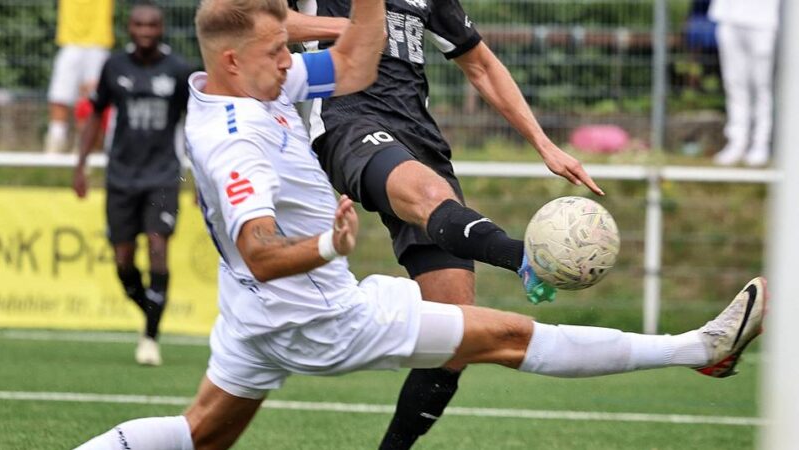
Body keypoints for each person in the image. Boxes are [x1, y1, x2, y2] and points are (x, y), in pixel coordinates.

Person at [75, 0, 766, 448]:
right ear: (236, 59)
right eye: (280, 48)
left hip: (253, 318)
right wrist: (327, 244)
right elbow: (259, 250)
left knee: (201, 436)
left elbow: (353, 59)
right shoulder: (235, 140)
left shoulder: (249, 81)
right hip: (317, 313)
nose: (292, 59)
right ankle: (698, 347)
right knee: (507, 337)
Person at [286, 3, 599, 447]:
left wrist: (544, 145)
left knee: (455, 337)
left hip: (419, 137)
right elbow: (265, 23)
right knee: (432, 197)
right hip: (348, 121)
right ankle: (525, 259)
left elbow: (483, 65)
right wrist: (351, 28)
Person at [72, 1, 192, 366]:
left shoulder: (179, 71)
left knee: (158, 248)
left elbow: (196, 125)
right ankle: (151, 311)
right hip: (121, 176)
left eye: (151, 26)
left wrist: (201, 177)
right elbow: (95, 116)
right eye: (138, 25)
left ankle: (150, 338)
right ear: (129, 28)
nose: (145, 32)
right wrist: (80, 165)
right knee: (123, 260)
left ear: (161, 29)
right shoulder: (114, 66)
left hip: (162, 176)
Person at [710, 0, 782, 167]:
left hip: (764, 22)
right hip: (729, 17)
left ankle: (761, 143)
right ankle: (737, 142)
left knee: (762, 87)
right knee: (734, 85)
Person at [45, 0, 114, 154]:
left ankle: (86, 145)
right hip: (70, 43)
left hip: (98, 44)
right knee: (59, 96)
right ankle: (55, 143)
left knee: (94, 100)